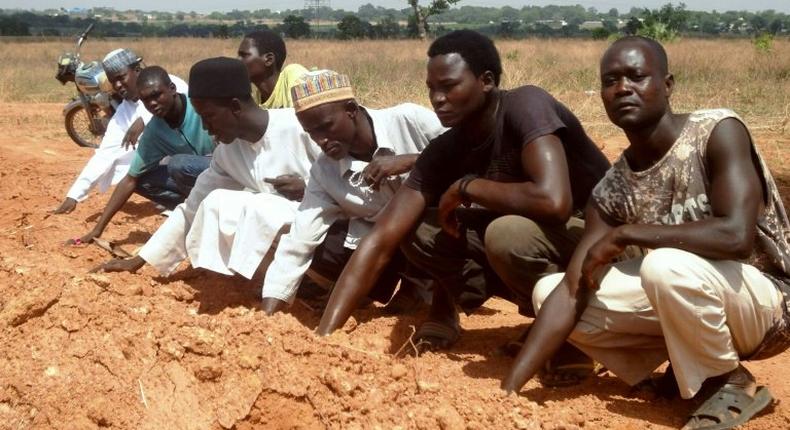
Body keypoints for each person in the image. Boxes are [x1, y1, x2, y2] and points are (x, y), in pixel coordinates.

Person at [503, 36, 790, 430]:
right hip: (688, 297)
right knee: (548, 292)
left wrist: (628, 234)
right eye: (611, 80)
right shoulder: (611, 189)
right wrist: (509, 389)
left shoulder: (716, 132)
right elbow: (574, 289)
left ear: (667, 85)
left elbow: (737, 236)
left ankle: (729, 381)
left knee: (663, 265)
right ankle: (688, 363)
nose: (623, 88)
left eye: (637, 76)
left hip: (768, 303)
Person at [316, 29, 611, 357]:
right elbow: (381, 239)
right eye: (431, 88)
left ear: (486, 81)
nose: (437, 98)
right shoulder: (446, 148)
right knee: (417, 228)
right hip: (544, 241)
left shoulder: (526, 106)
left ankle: (574, 333)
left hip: (603, 239)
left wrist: (467, 186)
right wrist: (324, 335)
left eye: (449, 85)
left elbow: (554, 202)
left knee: (506, 233)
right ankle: (521, 314)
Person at [91, 57, 320, 280]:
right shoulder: (227, 154)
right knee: (218, 203)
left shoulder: (302, 126)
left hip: (334, 243)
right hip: (295, 250)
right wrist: (139, 260)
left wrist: (307, 189)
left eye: (208, 116)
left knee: (256, 206)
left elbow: (353, 182)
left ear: (235, 107)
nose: (205, 127)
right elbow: (191, 209)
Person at [259, 69, 446, 314]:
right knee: (318, 245)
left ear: (351, 109)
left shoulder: (410, 121)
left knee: (420, 221)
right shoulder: (324, 171)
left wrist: (414, 160)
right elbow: (299, 240)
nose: (321, 140)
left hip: (444, 229)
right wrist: (269, 311)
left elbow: (473, 152)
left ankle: (426, 292)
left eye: (326, 127)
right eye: (312, 133)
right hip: (383, 248)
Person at [67, 66, 215, 245]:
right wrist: (97, 230)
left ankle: (205, 207)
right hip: (199, 179)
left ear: (173, 89)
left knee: (178, 164)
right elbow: (130, 179)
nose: (152, 103)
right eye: (146, 100)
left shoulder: (200, 107)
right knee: (141, 178)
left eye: (157, 95)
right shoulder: (155, 131)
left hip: (229, 171)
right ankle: (194, 208)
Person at [52, 48, 188, 214]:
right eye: (112, 81)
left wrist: (144, 120)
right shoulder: (123, 113)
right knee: (133, 175)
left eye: (121, 77)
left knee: (176, 163)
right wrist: (74, 195)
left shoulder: (168, 82)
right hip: (171, 164)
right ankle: (181, 204)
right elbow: (105, 154)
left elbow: (183, 98)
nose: (117, 85)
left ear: (137, 70)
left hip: (197, 157)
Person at [238, 30, 308, 109]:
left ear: (269, 60)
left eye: (244, 55)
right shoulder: (257, 100)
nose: (237, 60)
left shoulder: (293, 74)